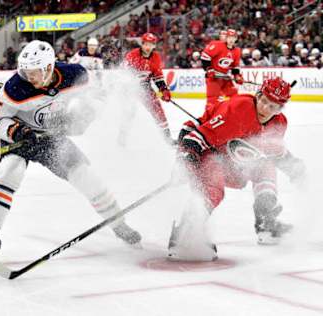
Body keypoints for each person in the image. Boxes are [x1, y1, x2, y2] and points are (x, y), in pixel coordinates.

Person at [0, 40, 141, 253]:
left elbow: (98, 97)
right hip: (19, 138)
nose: (29, 77)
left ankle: (119, 224)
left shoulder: (75, 75)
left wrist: (83, 118)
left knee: (85, 175)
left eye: (34, 72)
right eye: (26, 71)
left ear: (48, 68)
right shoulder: (15, 87)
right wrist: (17, 131)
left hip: (50, 137)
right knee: (11, 171)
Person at [169, 77, 305, 261]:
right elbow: (197, 137)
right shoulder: (238, 109)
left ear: (280, 109)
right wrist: (185, 161)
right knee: (214, 187)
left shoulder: (278, 124)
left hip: (233, 161)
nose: (265, 109)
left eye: (273, 107)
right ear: (258, 95)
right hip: (207, 151)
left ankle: (266, 222)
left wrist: (294, 167)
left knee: (265, 165)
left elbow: (273, 152)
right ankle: (185, 233)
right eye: (264, 101)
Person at [120, 32, 173, 146]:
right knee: (128, 112)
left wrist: (164, 90)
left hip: (146, 87)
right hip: (130, 88)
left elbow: (157, 76)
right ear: (142, 44)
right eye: (146, 44)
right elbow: (124, 74)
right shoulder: (132, 55)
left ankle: (167, 138)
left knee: (158, 110)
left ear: (154, 45)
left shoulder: (156, 57)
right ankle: (121, 138)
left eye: (151, 45)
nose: (148, 47)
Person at [200, 29, 243, 112]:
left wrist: (237, 76)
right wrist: (209, 69)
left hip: (225, 77)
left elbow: (235, 66)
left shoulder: (237, 51)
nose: (231, 39)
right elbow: (204, 56)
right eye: (229, 37)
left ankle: (233, 116)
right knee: (212, 100)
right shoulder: (217, 45)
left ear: (236, 39)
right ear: (226, 38)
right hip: (213, 77)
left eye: (233, 37)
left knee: (234, 96)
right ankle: (208, 118)